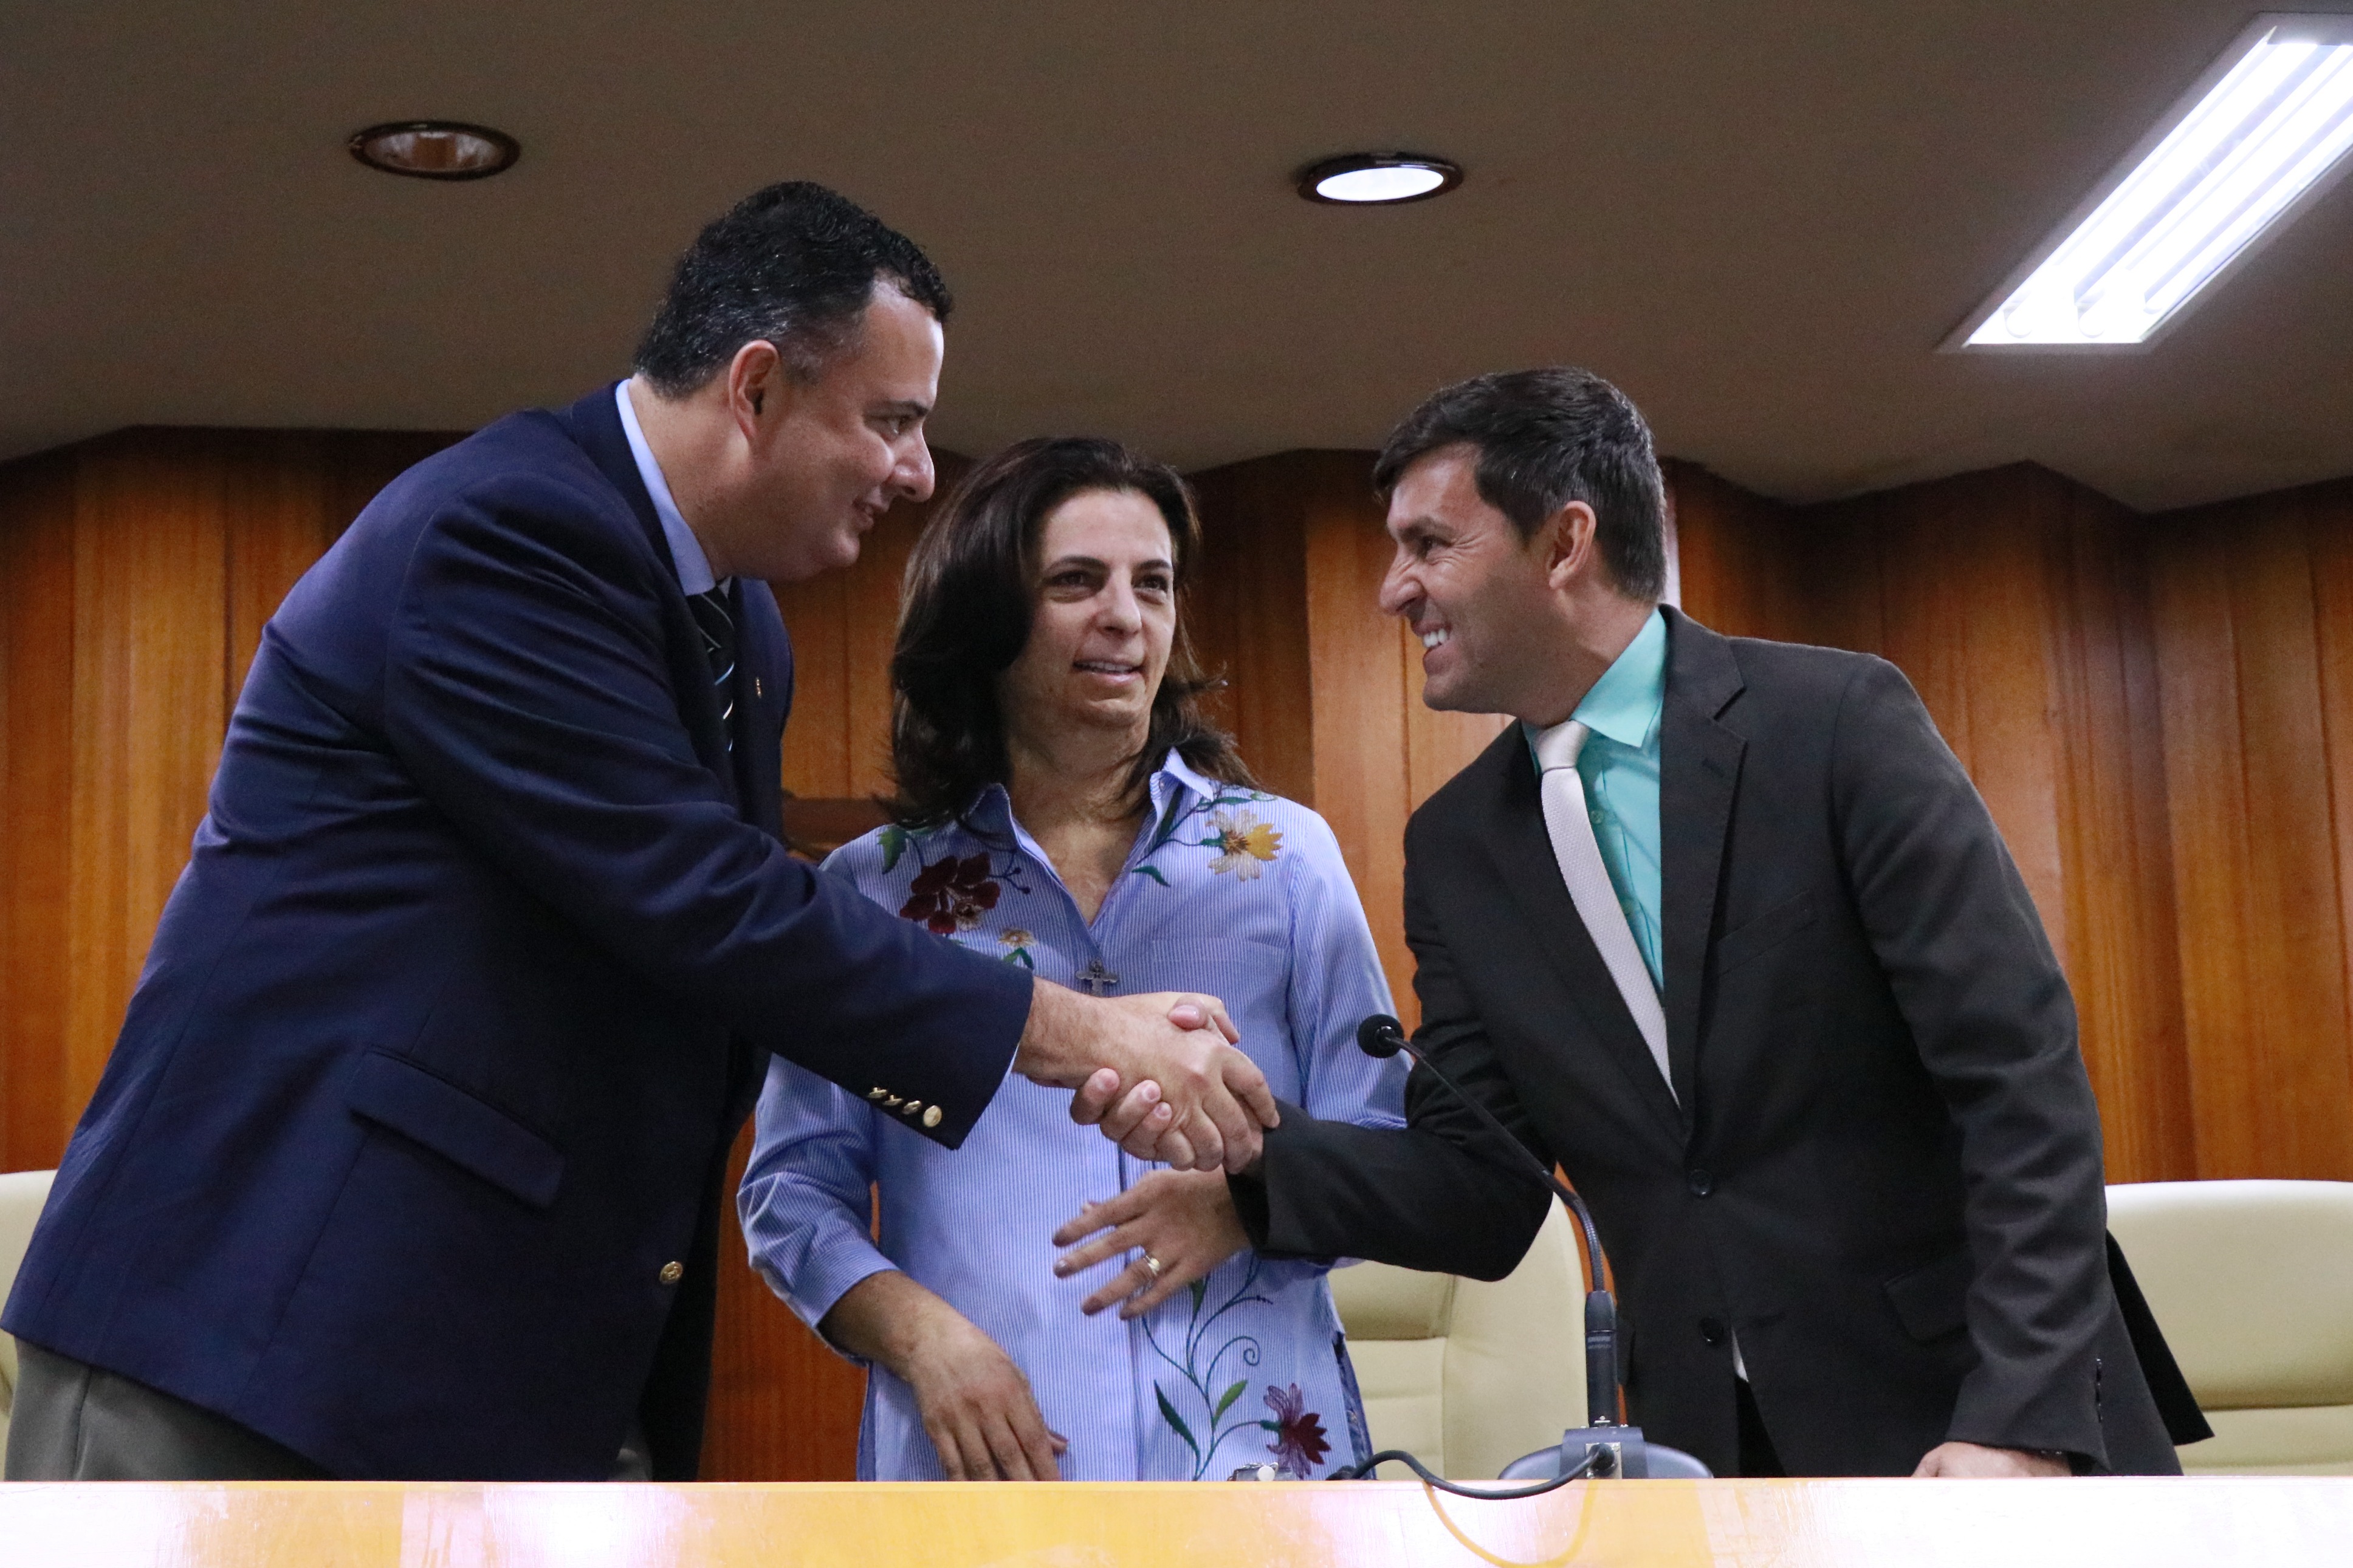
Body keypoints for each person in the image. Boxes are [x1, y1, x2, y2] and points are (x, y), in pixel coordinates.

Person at [1, 183, 1276, 1484]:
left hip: (478, 1366)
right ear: (756, 388)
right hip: (248, 1338)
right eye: (891, 421)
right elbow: (706, 901)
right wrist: (1077, 1031)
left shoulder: (745, 628)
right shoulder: (503, 533)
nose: (916, 471)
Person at [1062, 368, 2211, 1479]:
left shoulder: (1836, 723)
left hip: (1983, 1424)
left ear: (1564, 543)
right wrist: (1253, 1163)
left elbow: (2020, 1084)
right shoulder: (1457, 849)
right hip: (1716, 1458)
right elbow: (1483, 1185)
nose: (1393, 589)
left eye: (1430, 544)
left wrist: (2022, 1420)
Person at [738, 437, 1407, 1482]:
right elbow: (791, 1193)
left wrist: (1245, 1204)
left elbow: (1390, 1148)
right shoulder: (874, 892)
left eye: (1154, 583)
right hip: (986, 1475)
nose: (1125, 616)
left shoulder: (1287, 861)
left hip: (1260, 1483)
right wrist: (921, 1339)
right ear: (988, 618)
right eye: (1076, 581)